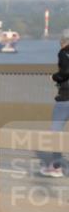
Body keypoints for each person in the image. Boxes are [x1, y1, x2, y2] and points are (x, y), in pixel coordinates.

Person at [39, 35, 69, 177]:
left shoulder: (63, 52)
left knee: (55, 132)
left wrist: (54, 77)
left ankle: (56, 168)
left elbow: (66, 71)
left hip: (65, 99)